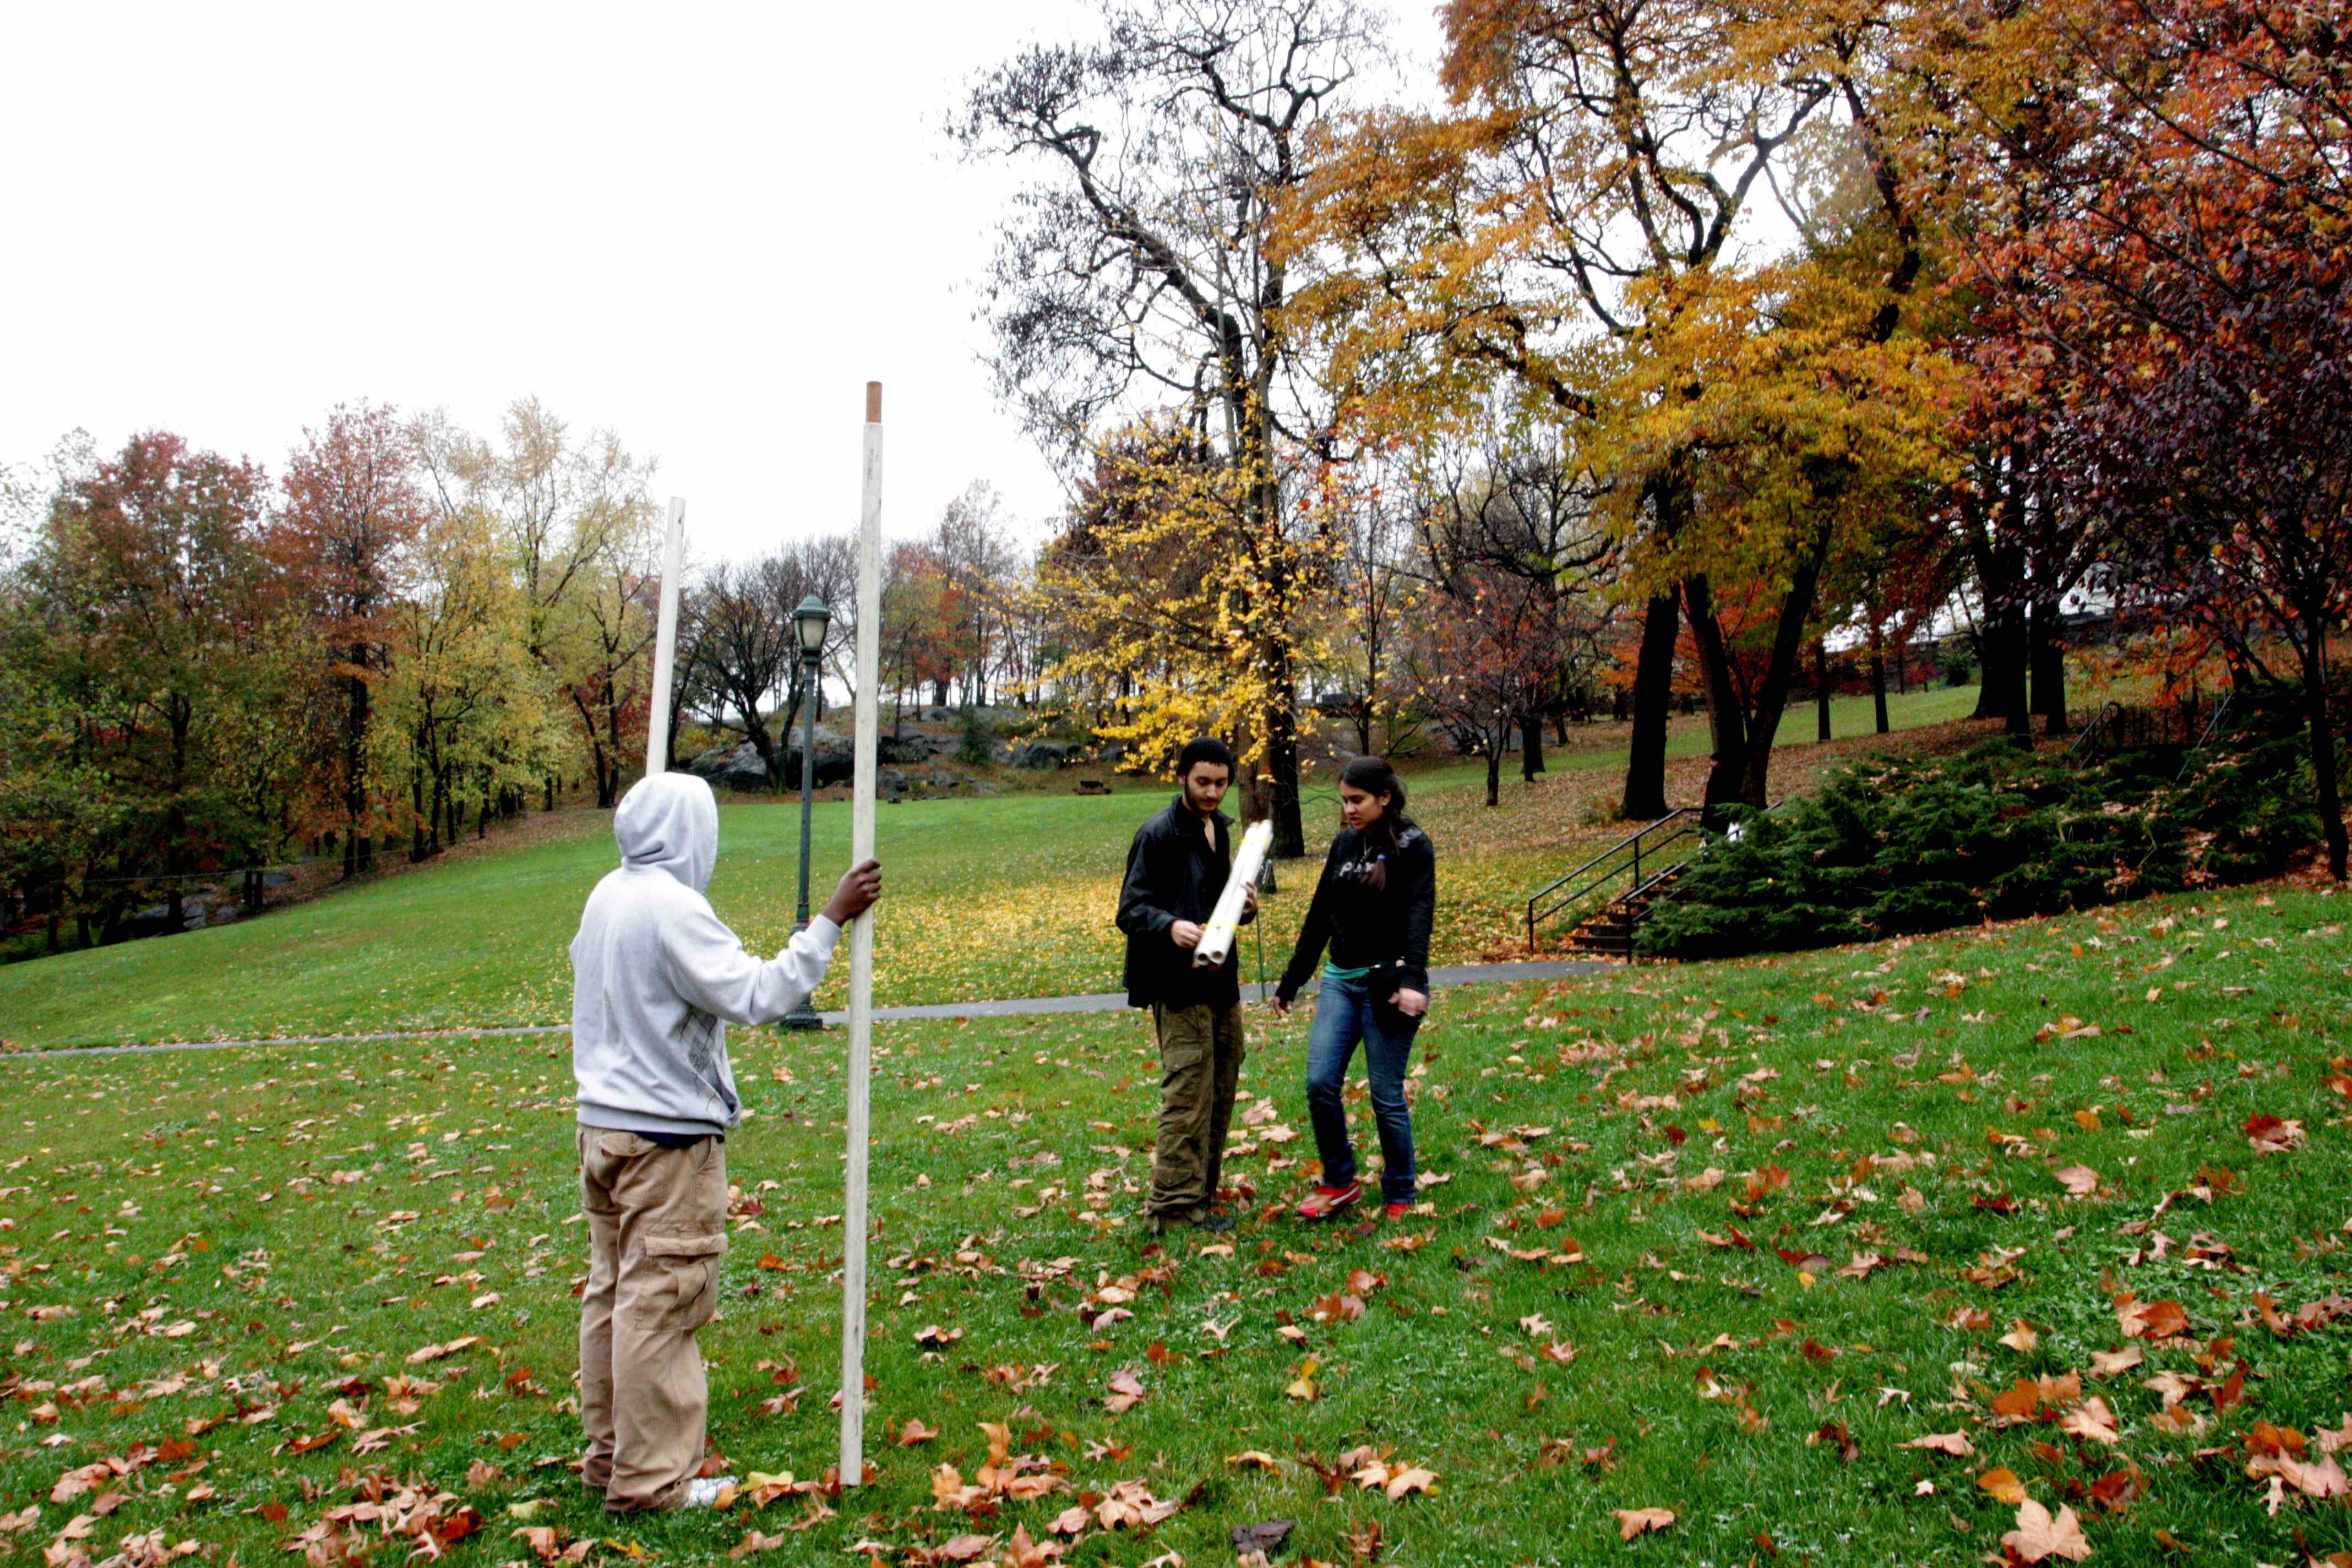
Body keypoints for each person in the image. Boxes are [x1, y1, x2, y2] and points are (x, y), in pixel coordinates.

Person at [569, 771, 881, 1513]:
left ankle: (611, 1457)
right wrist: (829, 920)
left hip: (603, 1127)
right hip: (664, 1141)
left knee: (614, 1296)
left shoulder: (607, 894)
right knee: (662, 1305)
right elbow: (756, 996)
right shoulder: (672, 908)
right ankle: (651, 1483)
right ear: (690, 833)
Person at [1272, 756, 1435, 1223]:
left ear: (1385, 797)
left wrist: (1412, 981)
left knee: (1386, 1094)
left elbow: (1419, 916)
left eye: (1357, 800)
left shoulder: (1413, 845)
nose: (1349, 809)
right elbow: (1321, 913)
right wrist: (1292, 980)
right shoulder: (1344, 844)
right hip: (1340, 983)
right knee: (1320, 1083)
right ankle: (1340, 1182)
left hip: (1387, 985)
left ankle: (1400, 1190)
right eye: (1344, 800)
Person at [1116, 737, 1259, 1235]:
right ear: (1182, 778)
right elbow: (1130, 909)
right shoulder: (1157, 833)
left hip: (1221, 980)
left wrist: (1245, 905)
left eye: (1221, 783)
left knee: (1221, 1084)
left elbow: (1218, 899)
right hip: (1176, 984)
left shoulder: (1220, 828)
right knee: (1188, 1091)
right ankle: (1172, 1211)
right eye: (1203, 782)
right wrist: (1169, 925)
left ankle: (1201, 1197)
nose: (1213, 792)